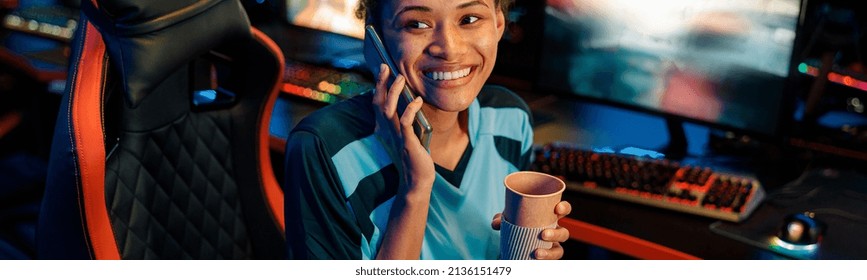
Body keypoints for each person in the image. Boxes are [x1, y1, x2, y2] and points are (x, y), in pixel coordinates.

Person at [285, 0, 571, 260]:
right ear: (376, 38)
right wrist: (415, 188)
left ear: (499, 22)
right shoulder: (325, 147)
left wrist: (528, 258)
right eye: (417, 24)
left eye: (469, 19)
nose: (449, 48)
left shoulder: (510, 119)